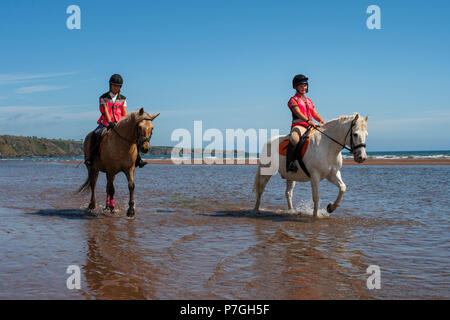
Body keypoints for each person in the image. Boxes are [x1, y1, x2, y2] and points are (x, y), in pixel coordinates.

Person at [85, 74, 147, 168]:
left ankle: (138, 159)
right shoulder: (103, 97)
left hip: (120, 123)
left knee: (135, 136)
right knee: (95, 134)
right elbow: (105, 110)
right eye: (114, 85)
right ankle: (90, 158)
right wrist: (110, 122)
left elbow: (124, 113)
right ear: (110, 85)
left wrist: (126, 123)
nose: (116, 88)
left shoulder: (123, 98)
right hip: (106, 123)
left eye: (118, 86)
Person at [286, 74, 325, 172]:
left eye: (305, 85)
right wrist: (308, 121)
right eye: (301, 86)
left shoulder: (309, 101)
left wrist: (321, 121)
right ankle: (290, 163)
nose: (303, 87)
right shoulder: (292, 100)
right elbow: (298, 113)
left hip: (310, 126)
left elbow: (314, 113)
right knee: (294, 139)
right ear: (295, 87)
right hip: (298, 126)